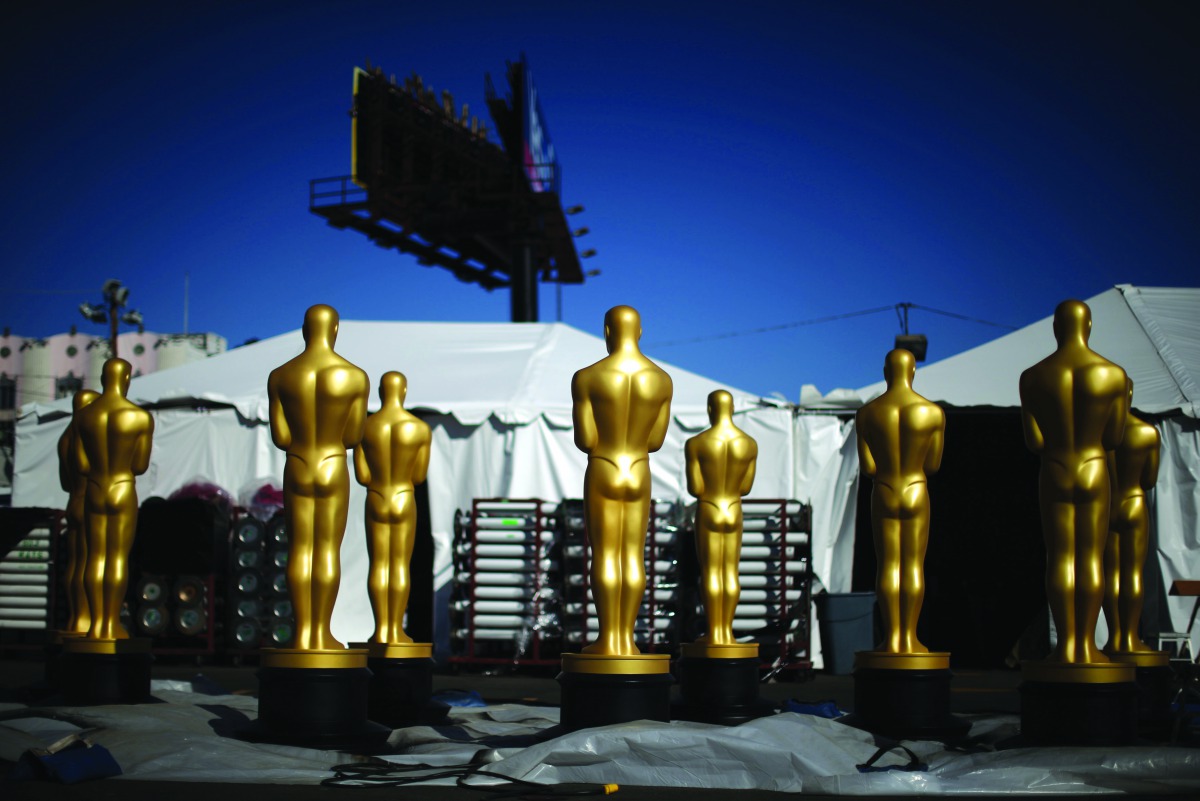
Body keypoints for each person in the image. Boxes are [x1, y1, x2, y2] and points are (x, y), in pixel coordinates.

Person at [1020, 299, 1128, 664]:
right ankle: (1088, 645)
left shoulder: (1033, 377)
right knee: (1092, 559)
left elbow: (1034, 442)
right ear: (1090, 326)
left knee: (1061, 557)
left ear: (1055, 327)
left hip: (1055, 469)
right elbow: (1113, 438)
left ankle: (1067, 644)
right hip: (1094, 468)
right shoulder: (1113, 375)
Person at [571, 305, 673, 656]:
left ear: (607, 332)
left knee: (604, 555)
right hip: (639, 469)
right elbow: (656, 441)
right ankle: (626, 639)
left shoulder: (586, 377)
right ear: (640, 332)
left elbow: (585, 440)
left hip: (603, 465)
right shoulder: (661, 380)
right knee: (632, 555)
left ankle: (607, 638)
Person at [268, 304, 369, 651]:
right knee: (327, 550)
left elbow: (280, 437)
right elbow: (354, 437)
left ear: (303, 329)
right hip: (331, 463)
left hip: (297, 461)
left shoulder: (280, 376)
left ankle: (302, 631)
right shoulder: (355, 376)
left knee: (299, 549)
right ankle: (321, 631)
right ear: (335, 329)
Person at [856, 348, 945, 654]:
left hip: (884, 488)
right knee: (913, 566)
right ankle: (910, 637)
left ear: (885, 372)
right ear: (913, 371)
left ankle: (892, 637)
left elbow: (868, 468)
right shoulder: (932, 413)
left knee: (888, 565)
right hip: (916, 488)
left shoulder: (868, 413)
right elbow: (933, 465)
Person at [73, 359, 153, 640]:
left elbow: (81, 465)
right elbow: (140, 465)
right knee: (117, 558)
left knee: (95, 557)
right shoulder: (139, 417)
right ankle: (111, 622)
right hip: (122, 485)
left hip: (95, 485)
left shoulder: (84, 417)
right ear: (127, 378)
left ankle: (96, 624)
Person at [353, 371, 431, 645]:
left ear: (380, 392)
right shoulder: (420, 429)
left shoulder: (365, 427)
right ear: (404, 391)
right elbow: (419, 476)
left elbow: (362, 477)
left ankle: (381, 629)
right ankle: (395, 629)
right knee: (399, 565)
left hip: (376, 494)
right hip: (403, 495)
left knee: (378, 564)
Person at [685, 389, 757, 646]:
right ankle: (727, 632)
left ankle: (715, 632)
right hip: (734, 508)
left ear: (709, 409)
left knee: (711, 571)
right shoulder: (748, 444)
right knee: (730, 572)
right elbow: (746, 487)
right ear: (733, 408)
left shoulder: (696, 443)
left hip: (709, 505)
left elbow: (695, 488)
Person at [1103, 379, 1160, 654]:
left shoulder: (1100, 437)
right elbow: (1149, 480)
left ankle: (1115, 636)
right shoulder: (1147, 432)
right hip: (1134, 502)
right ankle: (1129, 637)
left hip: (1108, 505)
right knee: (1133, 573)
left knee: (1110, 574)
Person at [57, 389, 98, 635]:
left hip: (73, 500)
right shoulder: (87, 436)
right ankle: (87, 618)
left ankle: (76, 616)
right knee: (93, 561)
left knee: (75, 564)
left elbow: (64, 482)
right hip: (90, 501)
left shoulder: (65, 438)